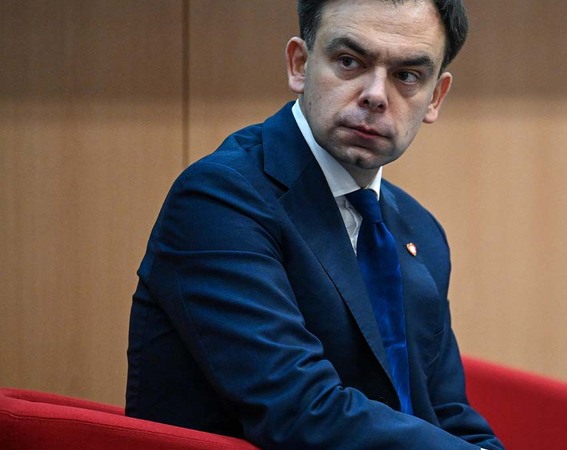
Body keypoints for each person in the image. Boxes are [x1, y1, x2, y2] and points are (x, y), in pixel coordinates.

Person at [125, 0, 504, 449]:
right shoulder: (220, 200)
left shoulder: (420, 232)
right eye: (349, 61)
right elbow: (299, 410)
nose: (376, 95)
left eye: (407, 75)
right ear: (300, 65)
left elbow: (448, 416)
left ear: (435, 97)